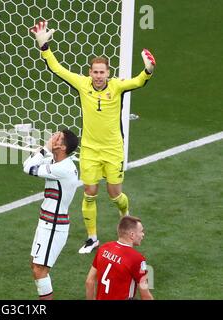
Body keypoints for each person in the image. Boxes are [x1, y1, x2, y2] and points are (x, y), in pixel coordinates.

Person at [30, 21, 156, 254]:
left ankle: (125, 216)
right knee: (89, 193)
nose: (98, 76)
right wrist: (43, 46)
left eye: (102, 72)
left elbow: (138, 81)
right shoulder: (82, 84)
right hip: (89, 149)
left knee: (114, 194)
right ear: (90, 72)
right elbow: (57, 69)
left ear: (108, 73)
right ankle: (92, 238)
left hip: (113, 149)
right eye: (95, 72)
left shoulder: (117, 87)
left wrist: (147, 70)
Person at [23, 129, 79, 300]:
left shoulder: (63, 168)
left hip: (54, 226)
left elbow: (28, 168)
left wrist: (46, 148)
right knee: (35, 265)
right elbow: (29, 162)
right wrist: (46, 150)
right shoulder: (57, 162)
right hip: (47, 222)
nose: (53, 137)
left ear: (62, 147)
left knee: (40, 270)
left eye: (57, 137)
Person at [85, 216, 154, 300]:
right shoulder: (137, 259)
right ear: (132, 235)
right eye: (141, 231)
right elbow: (145, 295)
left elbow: (89, 282)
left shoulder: (103, 248)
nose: (143, 234)